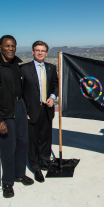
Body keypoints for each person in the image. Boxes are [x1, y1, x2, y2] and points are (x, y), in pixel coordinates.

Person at [0, 35, 33, 198]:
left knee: (22, 143)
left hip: (20, 107)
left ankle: (19, 174)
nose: (11, 48)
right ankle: (7, 182)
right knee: (7, 148)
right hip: (5, 111)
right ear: (0, 47)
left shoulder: (16, 64)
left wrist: (25, 109)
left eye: (13, 46)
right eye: (7, 46)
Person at [21, 41, 58, 183]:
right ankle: (35, 167)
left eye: (43, 50)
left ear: (47, 53)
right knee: (33, 141)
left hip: (47, 109)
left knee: (46, 138)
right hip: (32, 111)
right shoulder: (24, 69)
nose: (40, 53)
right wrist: (24, 110)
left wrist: (52, 97)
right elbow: (20, 92)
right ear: (32, 51)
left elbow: (55, 85)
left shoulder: (51, 68)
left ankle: (44, 161)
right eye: (37, 50)